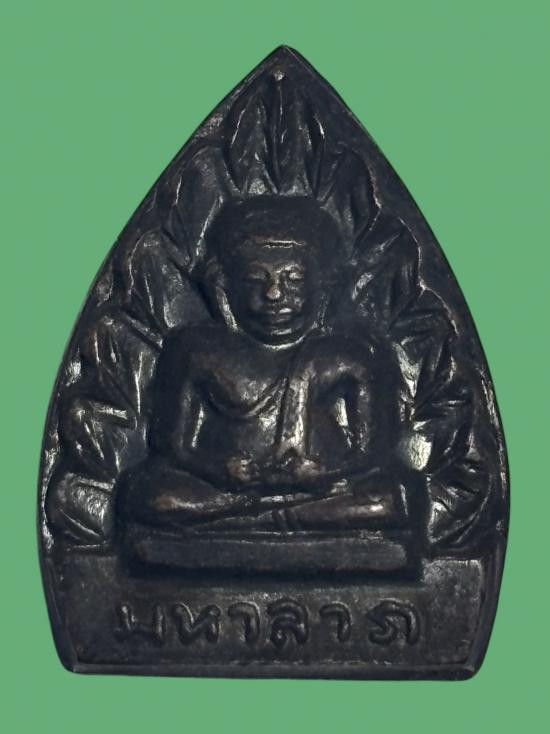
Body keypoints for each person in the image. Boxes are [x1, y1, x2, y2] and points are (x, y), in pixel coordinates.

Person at [118, 196, 414, 534]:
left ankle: (251, 518)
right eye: (255, 279)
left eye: (293, 279)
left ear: (324, 286)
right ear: (223, 286)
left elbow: (371, 452)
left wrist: (323, 473)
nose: (273, 294)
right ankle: (273, 514)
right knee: (149, 496)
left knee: (388, 499)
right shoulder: (196, 351)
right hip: (226, 489)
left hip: (319, 489)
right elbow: (171, 444)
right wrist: (217, 469)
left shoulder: (349, 356)